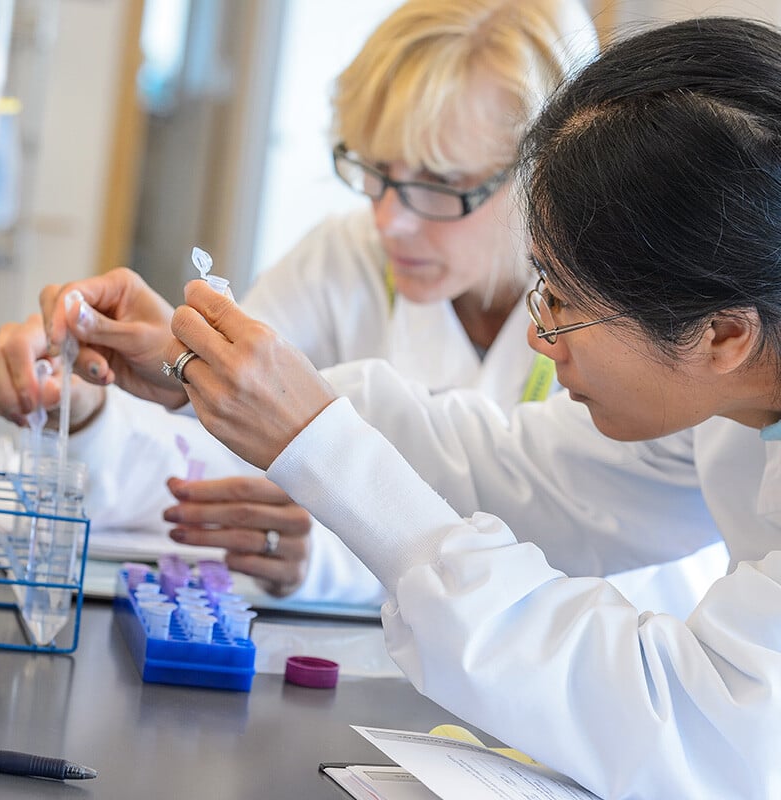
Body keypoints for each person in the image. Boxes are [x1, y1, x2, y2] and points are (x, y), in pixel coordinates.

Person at [54, 15, 778, 797]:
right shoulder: (728, 399)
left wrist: (322, 445)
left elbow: (703, 729)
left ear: (723, 336)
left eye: (565, 302)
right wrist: (221, 377)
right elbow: (527, 473)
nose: (541, 334)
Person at [0, 0, 718, 608]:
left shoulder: (646, 326)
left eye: (439, 182)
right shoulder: (347, 258)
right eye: (374, 170)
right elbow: (212, 467)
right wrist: (86, 408)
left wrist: (335, 550)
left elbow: (599, 570)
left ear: (552, 172)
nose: (388, 222)